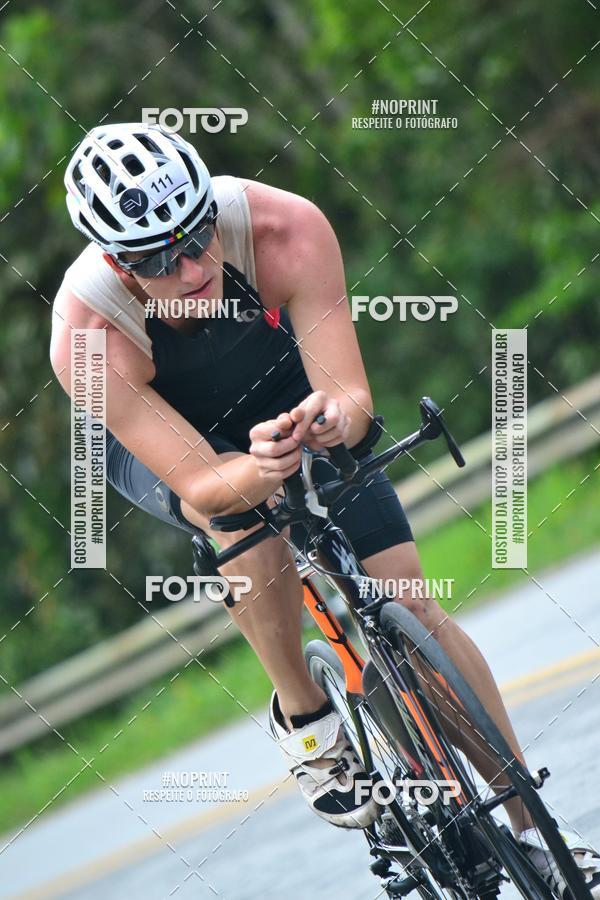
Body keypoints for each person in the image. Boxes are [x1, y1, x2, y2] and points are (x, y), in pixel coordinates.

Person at [51, 122, 599, 894]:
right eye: (157, 259)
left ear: (214, 207)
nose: (192, 265)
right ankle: (305, 715)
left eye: (199, 233)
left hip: (283, 389)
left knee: (408, 602)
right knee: (239, 515)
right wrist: (257, 471)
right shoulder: (88, 334)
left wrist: (335, 420)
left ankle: (540, 830)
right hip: (172, 436)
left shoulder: (286, 228)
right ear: (116, 263)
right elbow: (205, 484)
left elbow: (348, 396)